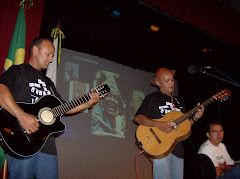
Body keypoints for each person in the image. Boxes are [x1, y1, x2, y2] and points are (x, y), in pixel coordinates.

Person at [0, 37, 100, 179]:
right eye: (48, 54)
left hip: (47, 145)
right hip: (21, 140)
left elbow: (63, 107)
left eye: (53, 56)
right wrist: (21, 115)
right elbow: (1, 90)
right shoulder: (18, 70)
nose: (51, 59)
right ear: (35, 50)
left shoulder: (49, 83)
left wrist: (88, 103)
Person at [134, 68, 205, 179]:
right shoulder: (152, 98)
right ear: (158, 82)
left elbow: (184, 127)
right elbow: (138, 118)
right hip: (160, 148)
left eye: (172, 80)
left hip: (178, 151)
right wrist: (159, 125)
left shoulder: (179, 102)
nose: (171, 83)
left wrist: (195, 118)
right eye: (167, 81)